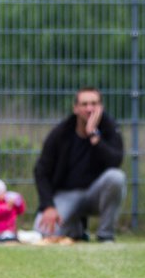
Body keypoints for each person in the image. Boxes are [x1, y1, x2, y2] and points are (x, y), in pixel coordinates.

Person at [33, 87, 127, 243]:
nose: (89, 108)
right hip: (67, 194)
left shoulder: (110, 128)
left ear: (101, 107)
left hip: (96, 193)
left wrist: (94, 135)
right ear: (75, 108)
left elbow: (115, 162)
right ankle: (76, 228)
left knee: (117, 178)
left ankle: (105, 235)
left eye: (94, 104)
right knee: (42, 233)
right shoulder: (61, 133)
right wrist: (48, 206)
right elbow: (41, 171)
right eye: (84, 104)